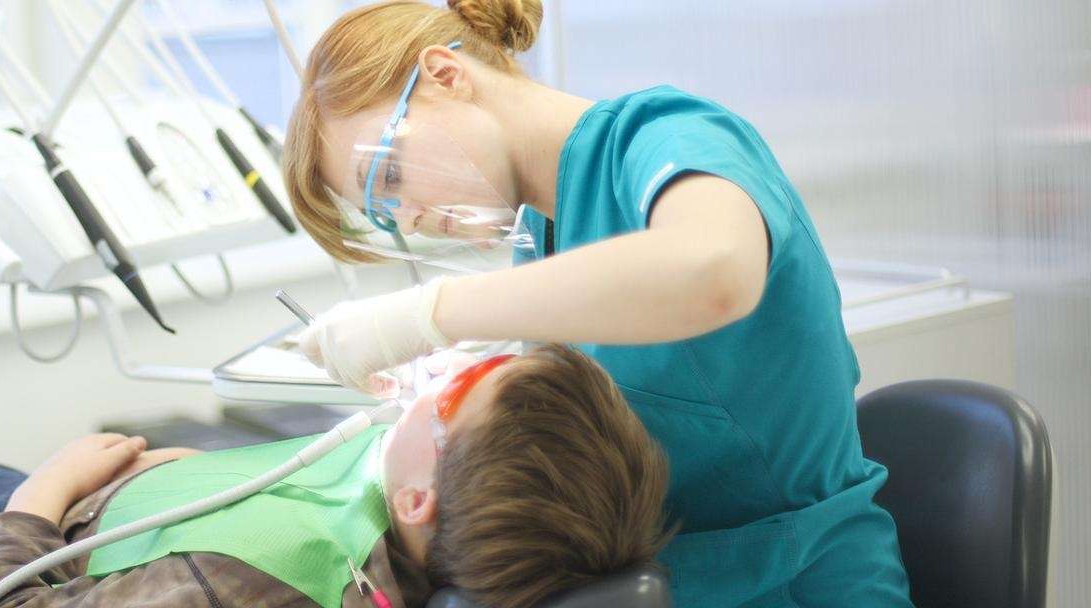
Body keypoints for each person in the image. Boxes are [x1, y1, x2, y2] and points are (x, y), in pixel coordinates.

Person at [281, 1, 913, 606]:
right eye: (385, 214)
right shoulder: (542, 233)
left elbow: (713, 271)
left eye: (388, 176)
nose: (411, 217)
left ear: (445, 76)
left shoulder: (666, 136)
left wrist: (427, 314)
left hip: (798, 587)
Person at [0, 344, 669, 608]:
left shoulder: (262, 586)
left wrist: (38, 494)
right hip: (103, 513)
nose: (444, 380)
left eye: (457, 399)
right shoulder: (401, 494)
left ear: (421, 498)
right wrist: (199, 474)